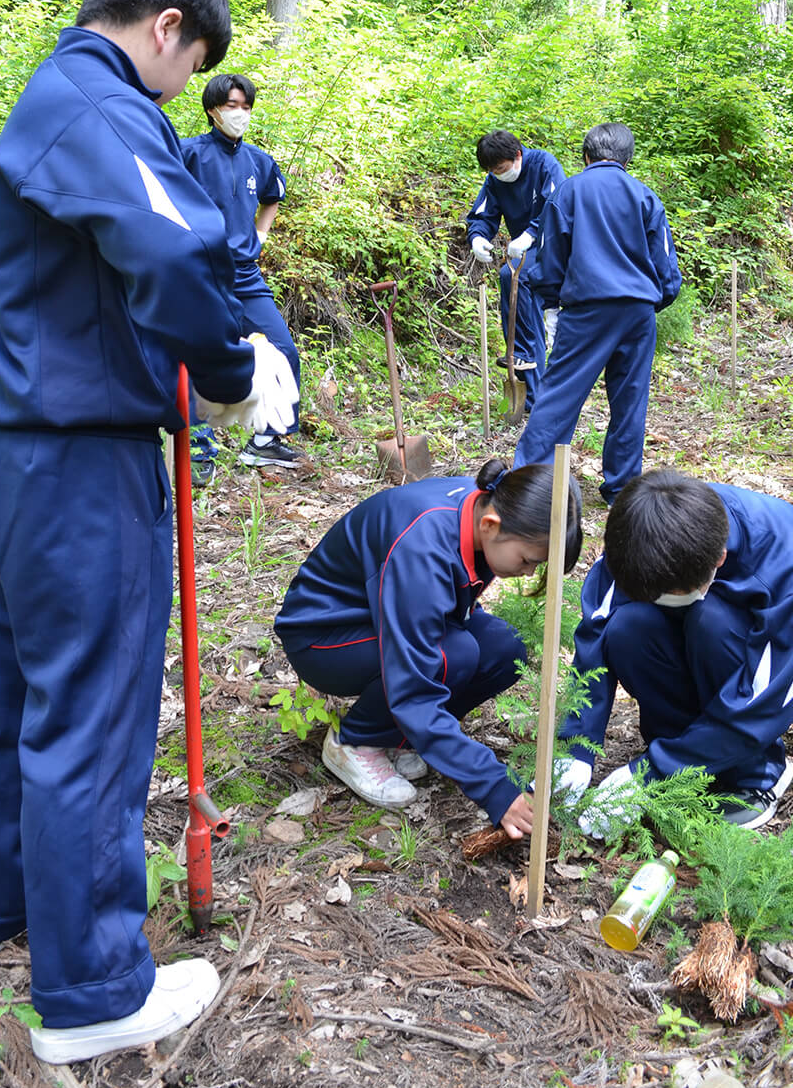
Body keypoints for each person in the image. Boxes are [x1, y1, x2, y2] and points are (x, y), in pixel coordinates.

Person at [0, 0, 298, 1065]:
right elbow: (177, 245)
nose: (185, 91)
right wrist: (238, 371)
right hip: (74, 466)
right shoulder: (98, 104)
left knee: (5, 695)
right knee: (89, 718)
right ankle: (92, 992)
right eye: (190, 69)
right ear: (166, 29)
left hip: (1, 446)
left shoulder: (52, 101)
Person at [274, 460, 584, 837]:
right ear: (491, 526)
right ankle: (355, 740)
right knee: (453, 655)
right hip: (324, 636)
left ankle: (400, 737)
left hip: (382, 613)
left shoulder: (486, 506)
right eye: (528, 561)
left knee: (505, 649)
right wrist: (494, 787)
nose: (529, 573)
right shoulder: (422, 548)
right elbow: (414, 687)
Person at [556, 469, 793, 835]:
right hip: (708, 634)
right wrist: (576, 747)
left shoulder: (783, 559)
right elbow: (596, 634)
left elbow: (770, 691)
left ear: (718, 560)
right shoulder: (640, 533)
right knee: (627, 628)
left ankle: (757, 773)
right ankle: (688, 755)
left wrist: (648, 774)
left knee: (708, 619)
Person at [513, 122, 682, 504]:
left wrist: (554, 300)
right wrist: (647, 303)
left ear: (586, 155)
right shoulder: (645, 197)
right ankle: (621, 490)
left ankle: (527, 484)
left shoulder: (569, 191)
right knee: (629, 400)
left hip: (587, 310)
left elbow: (550, 258)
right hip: (637, 313)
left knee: (559, 396)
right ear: (627, 158)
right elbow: (668, 271)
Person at [180, 73, 301, 483]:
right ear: (213, 109)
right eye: (231, 106)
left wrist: (262, 234)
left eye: (246, 107)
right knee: (196, 353)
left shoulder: (258, 160)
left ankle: (266, 441)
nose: (239, 114)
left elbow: (273, 197)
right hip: (199, 272)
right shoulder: (187, 154)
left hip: (246, 274)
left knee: (282, 348)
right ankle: (196, 448)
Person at [466, 131, 563, 412]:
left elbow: (558, 208)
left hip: (556, 247)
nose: (496, 175)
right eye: (491, 171)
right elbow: (483, 213)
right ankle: (530, 389)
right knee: (512, 285)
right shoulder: (495, 180)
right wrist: (478, 237)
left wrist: (531, 234)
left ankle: (543, 386)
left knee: (514, 279)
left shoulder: (545, 166)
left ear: (517, 155)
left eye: (500, 169)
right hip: (526, 255)